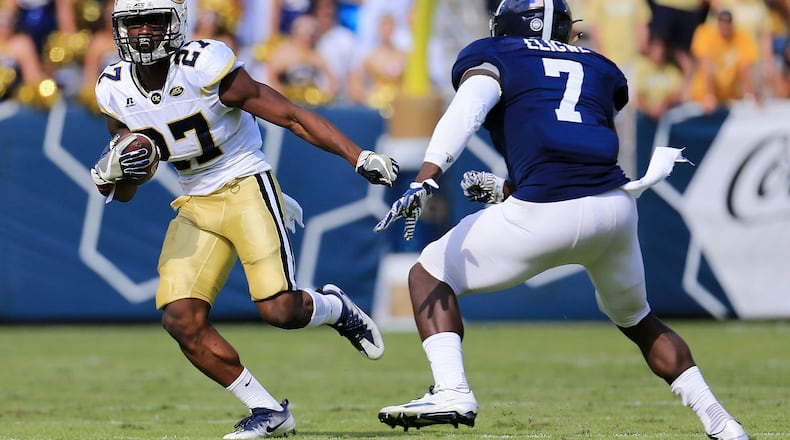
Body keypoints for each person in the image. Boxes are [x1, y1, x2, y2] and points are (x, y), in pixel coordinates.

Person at [372, 1, 749, 440]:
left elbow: (468, 110)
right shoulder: (600, 66)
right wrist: (509, 190)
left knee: (428, 273)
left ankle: (452, 389)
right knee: (641, 322)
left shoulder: (497, 54)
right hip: (614, 209)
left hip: (548, 213)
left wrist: (428, 175)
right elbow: (569, 140)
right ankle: (721, 422)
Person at [88, 1, 399, 438]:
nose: (142, 32)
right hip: (195, 200)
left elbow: (290, 115)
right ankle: (267, 410)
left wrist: (358, 156)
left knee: (279, 310)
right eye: (133, 22)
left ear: (175, 23)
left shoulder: (203, 66)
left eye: (153, 21)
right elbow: (125, 192)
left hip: (244, 184)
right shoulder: (113, 87)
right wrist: (112, 173)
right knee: (181, 319)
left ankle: (334, 307)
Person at [688, 9, 761, 113]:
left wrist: (752, 95)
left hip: (729, 99)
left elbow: (745, 69)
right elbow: (707, 66)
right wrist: (709, 95)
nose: (725, 26)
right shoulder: (705, 33)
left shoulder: (741, 37)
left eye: (728, 23)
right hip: (702, 99)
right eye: (722, 22)